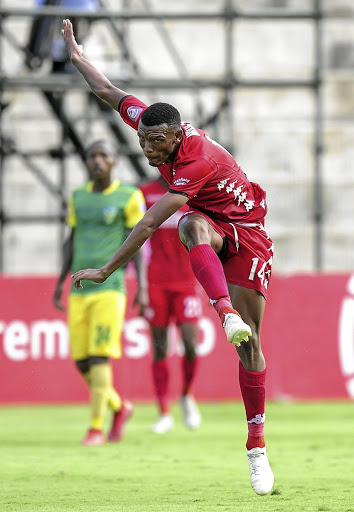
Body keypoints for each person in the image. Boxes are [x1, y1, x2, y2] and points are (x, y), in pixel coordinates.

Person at [62, 19, 275, 494]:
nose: (146, 148)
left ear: (178, 137)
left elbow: (147, 223)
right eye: (143, 139)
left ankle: (256, 448)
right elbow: (109, 91)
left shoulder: (195, 161)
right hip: (212, 223)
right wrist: (78, 59)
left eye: (157, 143)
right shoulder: (150, 123)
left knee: (252, 348)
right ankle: (224, 313)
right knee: (193, 225)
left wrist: (106, 269)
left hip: (249, 232)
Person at [53, 139, 148, 446]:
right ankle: (119, 408)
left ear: (114, 161)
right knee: (81, 361)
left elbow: (138, 244)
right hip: (79, 290)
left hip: (111, 288)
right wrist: (59, 281)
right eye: (91, 156)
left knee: (98, 359)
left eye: (103, 155)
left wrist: (142, 286)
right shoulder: (78, 197)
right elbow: (72, 238)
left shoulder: (128, 196)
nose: (97, 161)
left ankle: (96, 428)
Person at [139, 176, 202, 434]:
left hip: (187, 281)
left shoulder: (193, 190)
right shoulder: (144, 193)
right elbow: (138, 238)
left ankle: (186, 395)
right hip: (156, 282)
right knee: (160, 348)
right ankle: (164, 411)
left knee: (190, 345)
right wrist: (141, 285)